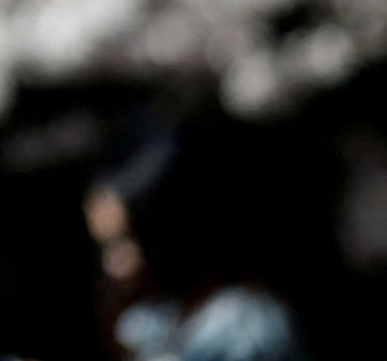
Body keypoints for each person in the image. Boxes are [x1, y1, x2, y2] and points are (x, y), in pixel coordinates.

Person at [86, 116, 308, 361]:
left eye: (127, 242)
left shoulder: (245, 325)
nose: (112, 264)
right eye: (104, 247)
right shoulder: (146, 322)